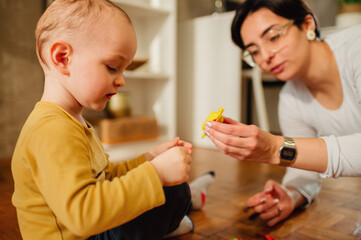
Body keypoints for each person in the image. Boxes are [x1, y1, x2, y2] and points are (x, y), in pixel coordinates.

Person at [11, 0, 215, 239]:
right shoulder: (52, 130)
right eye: (112, 67)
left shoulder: (72, 122)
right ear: (63, 58)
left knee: (172, 190)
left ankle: (185, 204)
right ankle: (181, 211)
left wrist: (148, 160)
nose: (121, 80)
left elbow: (104, 177)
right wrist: (156, 174)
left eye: (124, 69)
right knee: (173, 192)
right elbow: (84, 216)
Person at [204, 0, 361, 227]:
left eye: (273, 37)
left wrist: (275, 148)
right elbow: (305, 172)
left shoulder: (356, 49)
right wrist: (290, 193)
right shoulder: (290, 98)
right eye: (254, 51)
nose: (265, 57)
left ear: (307, 24)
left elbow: (288, 151)